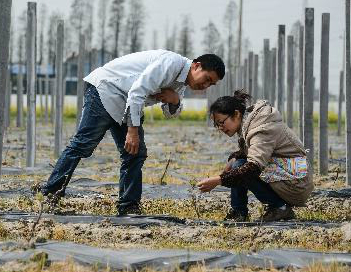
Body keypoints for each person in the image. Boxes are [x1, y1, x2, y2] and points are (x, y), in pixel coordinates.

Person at [42, 49, 225, 215]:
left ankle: (128, 206)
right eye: (207, 79)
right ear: (197, 66)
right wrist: (132, 130)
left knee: (134, 153)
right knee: (83, 145)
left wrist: (175, 100)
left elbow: (170, 114)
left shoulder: (182, 83)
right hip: (106, 90)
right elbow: (137, 92)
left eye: (211, 84)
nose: (205, 86)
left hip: (126, 102)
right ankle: (51, 193)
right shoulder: (172, 64)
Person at [197, 90, 313, 222]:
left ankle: (278, 208)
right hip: (289, 175)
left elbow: (253, 167)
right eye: (217, 125)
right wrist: (233, 158)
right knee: (238, 163)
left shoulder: (261, 128)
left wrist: (218, 180)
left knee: (241, 167)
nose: (220, 128)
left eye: (221, 122)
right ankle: (239, 212)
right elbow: (251, 152)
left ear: (236, 114)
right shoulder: (251, 124)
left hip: (296, 183)